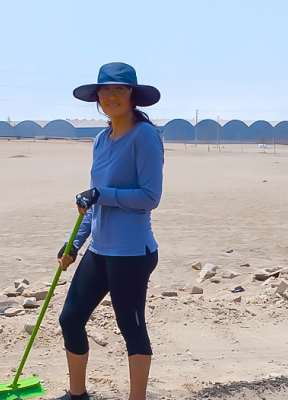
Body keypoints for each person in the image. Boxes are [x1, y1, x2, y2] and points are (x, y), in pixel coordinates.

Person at [57, 62, 164, 400]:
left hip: (132, 253)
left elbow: (150, 197)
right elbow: (93, 201)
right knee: (70, 319)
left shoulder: (145, 136)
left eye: (120, 88)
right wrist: (74, 244)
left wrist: (103, 194)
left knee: (131, 329)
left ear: (133, 95)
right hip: (100, 251)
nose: (111, 95)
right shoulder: (101, 140)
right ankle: (78, 395)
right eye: (105, 89)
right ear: (97, 98)